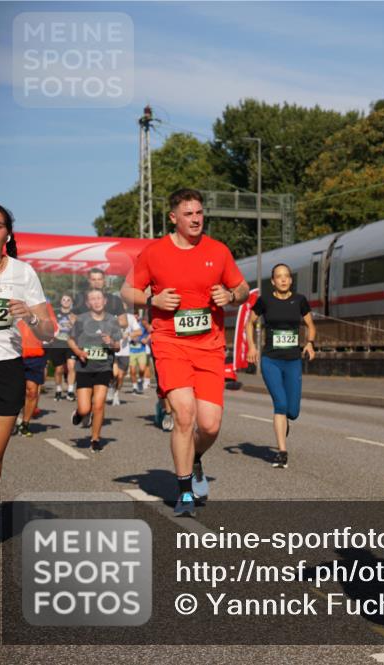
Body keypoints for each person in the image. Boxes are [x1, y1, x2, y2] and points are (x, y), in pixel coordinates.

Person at [121, 188, 248, 517]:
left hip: (209, 347)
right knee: (184, 415)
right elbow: (127, 291)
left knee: (210, 426)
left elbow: (243, 288)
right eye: (189, 214)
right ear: (174, 218)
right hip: (170, 344)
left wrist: (231, 296)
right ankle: (184, 492)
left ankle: (194, 459)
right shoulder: (155, 252)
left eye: (199, 213)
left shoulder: (218, 251)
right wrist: (153, 301)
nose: (196, 218)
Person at [0, 202, 54, 558]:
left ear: (7, 235)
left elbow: (47, 332)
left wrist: (29, 316)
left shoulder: (23, 273)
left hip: (6, 366)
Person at [245, 263, 316, 469]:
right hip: (271, 360)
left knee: (292, 411)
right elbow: (250, 323)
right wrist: (252, 347)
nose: (283, 279)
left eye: (286, 276)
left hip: (293, 361)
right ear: (273, 281)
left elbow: (310, 325)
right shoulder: (264, 301)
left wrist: (310, 343)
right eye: (279, 276)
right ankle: (282, 452)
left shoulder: (300, 301)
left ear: (291, 280)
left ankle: (285, 423)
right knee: (280, 404)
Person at [67, 289, 121, 452]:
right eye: (92, 299)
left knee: (98, 405)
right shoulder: (82, 320)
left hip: (104, 367)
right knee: (85, 408)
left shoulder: (112, 321)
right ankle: (79, 414)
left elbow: (118, 346)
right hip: (84, 367)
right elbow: (70, 339)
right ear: (88, 303)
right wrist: (78, 352)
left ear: (105, 301)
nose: (96, 301)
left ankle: (95, 439)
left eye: (99, 298)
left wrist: (110, 341)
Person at [74, 267, 128, 403]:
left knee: (110, 376)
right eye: (93, 279)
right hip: (85, 346)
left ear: (104, 281)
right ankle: (85, 408)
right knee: (87, 386)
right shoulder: (81, 299)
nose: (97, 282)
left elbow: (124, 322)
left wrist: (108, 324)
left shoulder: (114, 300)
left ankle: (105, 391)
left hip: (105, 345)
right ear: (89, 281)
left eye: (99, 279)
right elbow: (72, 319)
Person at [15, 302, 56, 437]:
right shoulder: (10, 299)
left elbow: (52, 329)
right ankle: (10, 419)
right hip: (12, 353)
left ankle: (25, 424)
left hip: (35, 355)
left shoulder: (43, 305)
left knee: (32, 392)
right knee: (13, 390)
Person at [48, 294, 77, 401]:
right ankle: (58, 390)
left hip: (71, 343)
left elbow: (80, 329)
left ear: (71, 302)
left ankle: (70, 391)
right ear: (60, 301)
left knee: (71, 366)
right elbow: (49, 327)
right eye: (63, 299)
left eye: (68, 300)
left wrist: (74, 324)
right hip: (58, 344)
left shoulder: (74, 315)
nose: (66, 301)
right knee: (59, 369)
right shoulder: (55, 314)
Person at [128, 309, 151, 393]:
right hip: (131, 351)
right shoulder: (129, 324)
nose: (135, 316)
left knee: (142, 369)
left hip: (142, 350)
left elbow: (150, 332)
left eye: (136, 315)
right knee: (132, 371)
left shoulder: (142, 324)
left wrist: (146, 339)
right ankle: (134, 387)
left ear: (138, 315)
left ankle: (140, 380)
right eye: (133, 315)